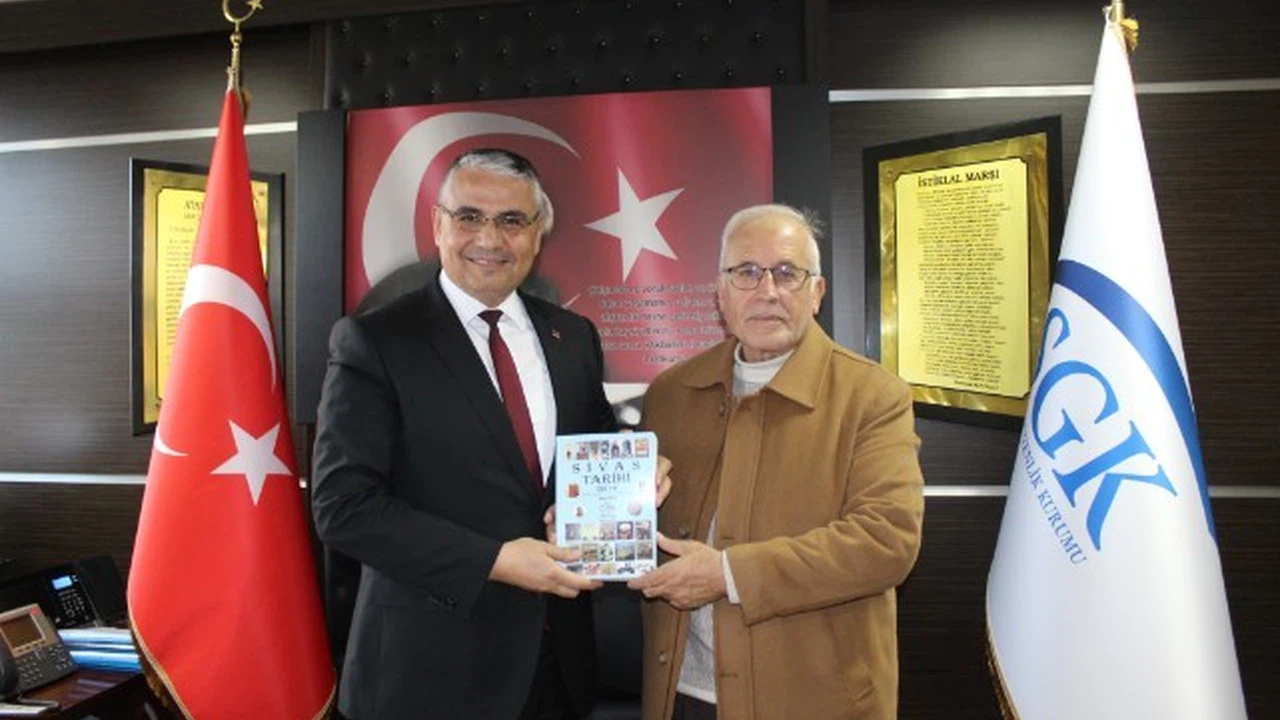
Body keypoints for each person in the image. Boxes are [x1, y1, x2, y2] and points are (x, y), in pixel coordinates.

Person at [312, 148, 667, 720]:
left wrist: (637, 471)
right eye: (469, 216)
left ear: (539, 232)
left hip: (558, 667)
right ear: (438, 225)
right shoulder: (375, 341)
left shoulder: (573, 337)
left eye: (511, 220)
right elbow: (343, 508)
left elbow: (591, 447)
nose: (489, 238)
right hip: (428, 675)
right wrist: (495, 560)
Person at [630, 204, 925, 720]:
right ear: (720, 293)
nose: (767, 291)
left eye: (787, 273)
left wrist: (728, 574)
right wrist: (596, 514)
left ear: (817, 293)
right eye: (746, 272)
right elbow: (639, 535)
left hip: (812, 701)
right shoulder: (672, 393)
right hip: (682, 695)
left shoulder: (872, 396)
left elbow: (886, 542)